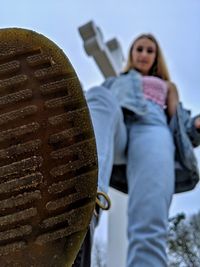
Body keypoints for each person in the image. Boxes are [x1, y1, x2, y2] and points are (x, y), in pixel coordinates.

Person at [74, 33, 200, 267]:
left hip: (153, 130)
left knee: (149, 219)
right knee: (98, 95)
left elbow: (182, 126)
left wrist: (196, 124)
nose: (143, 54)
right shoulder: (116, 81)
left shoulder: (167, 86)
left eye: (149, 50)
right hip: (120, 126)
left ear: (156, 57)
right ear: (132, 53)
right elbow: (100, 113)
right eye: (139, 49)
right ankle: (82, 217)